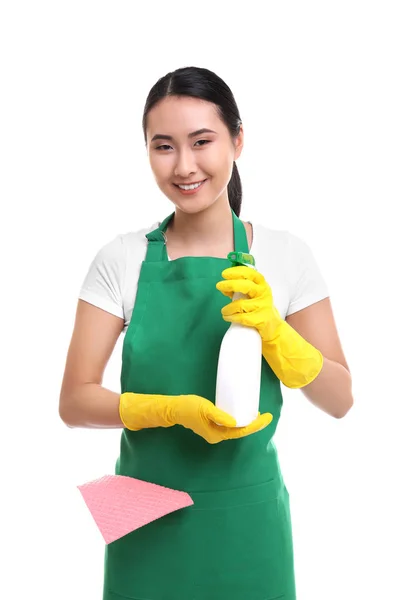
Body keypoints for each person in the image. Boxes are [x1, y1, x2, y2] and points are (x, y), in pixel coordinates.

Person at [59, 65, 353, 600]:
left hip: (248, 517)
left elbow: (340, 400)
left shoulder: (286, 256)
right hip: (142, 512)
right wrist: (170, 410)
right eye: (163, 146)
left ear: (237, 141)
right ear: (146, 151)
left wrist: (276, 334)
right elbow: (74, 403)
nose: (185, 166)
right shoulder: (120, 258)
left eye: (202, 142)